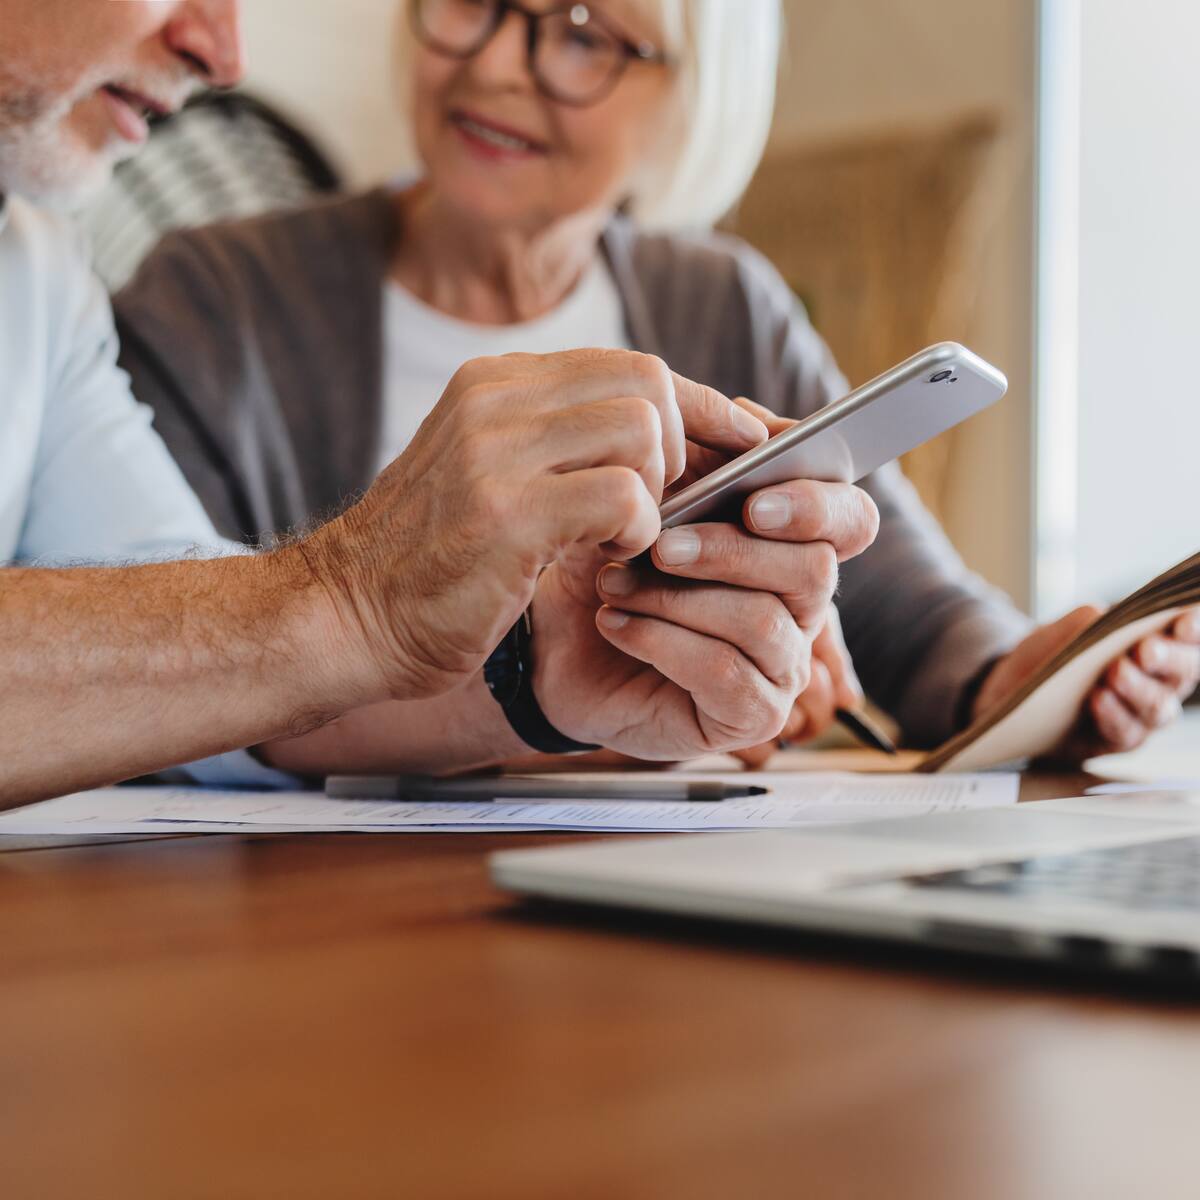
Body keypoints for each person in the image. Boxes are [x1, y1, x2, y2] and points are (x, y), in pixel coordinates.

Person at [116, 0, 1200, 762]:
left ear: (691, 93)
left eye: (585, 34)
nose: (498, 65)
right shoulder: (220, 296)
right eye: (473, 2)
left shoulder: (723, 302)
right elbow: (172, 653)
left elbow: (909, 609)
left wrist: (1009, 682)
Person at [0, 0, 881, 808]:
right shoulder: (211, 288)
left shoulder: (41, 271)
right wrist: (357, 593)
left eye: (581, 32)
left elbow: (186, 672)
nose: (222, 54)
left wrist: (536, 680)